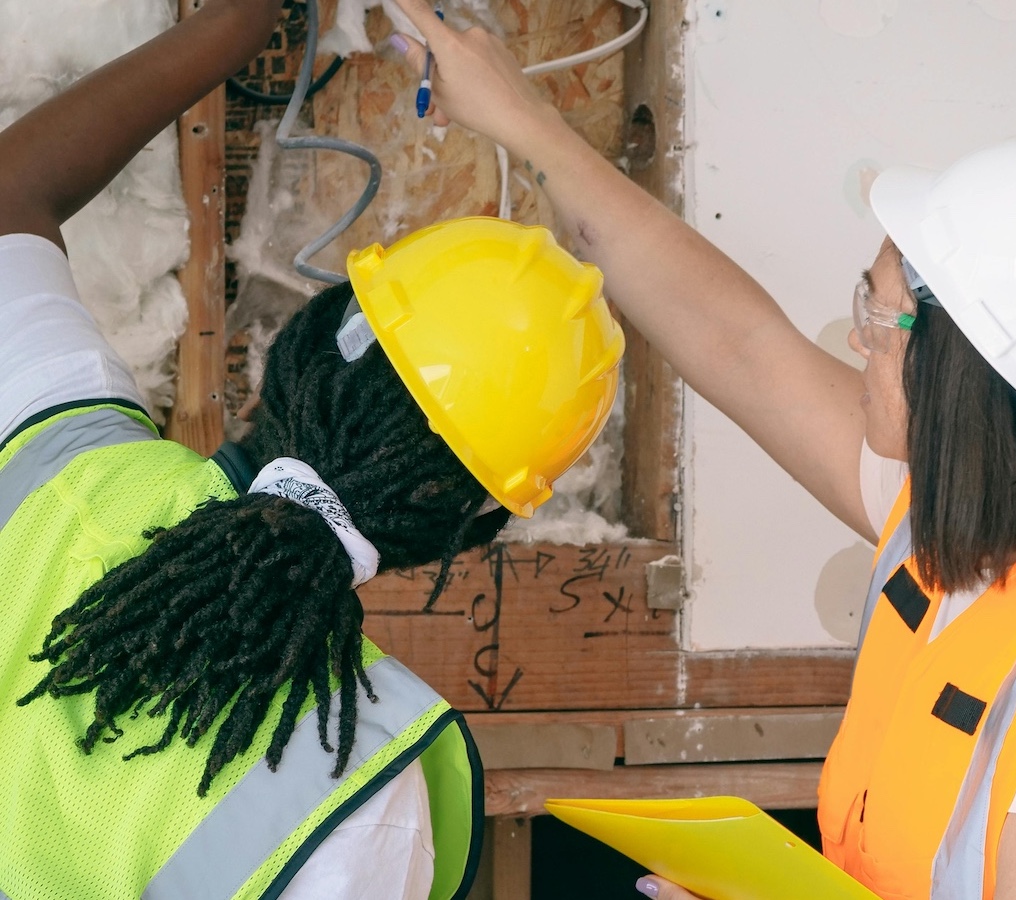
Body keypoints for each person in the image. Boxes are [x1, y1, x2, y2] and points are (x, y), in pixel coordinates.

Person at [389, 3, 1016, 899]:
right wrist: (522, 120)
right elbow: (738, 342)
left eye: (879, 314)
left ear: (965, 372)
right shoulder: (961, 529)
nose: (861, 342)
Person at [0, 2, 624, 898]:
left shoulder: (65, 456)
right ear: (476, 516)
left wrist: (234, 27)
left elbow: (11, 197)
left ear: (296, 348)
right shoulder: (360, 793)